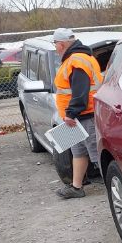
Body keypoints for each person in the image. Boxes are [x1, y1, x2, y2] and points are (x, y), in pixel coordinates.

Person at [51, 28, 103, 199]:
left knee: (97, 155)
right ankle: (76, 187)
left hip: (83, 116)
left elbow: (81, 91)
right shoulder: (77, 59)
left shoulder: (77, 61)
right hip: (77, 117)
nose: (56, 48)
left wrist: (71, 113)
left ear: (62, 44)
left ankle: (116, 187)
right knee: (78, 152)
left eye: (56, 45)